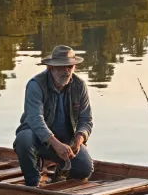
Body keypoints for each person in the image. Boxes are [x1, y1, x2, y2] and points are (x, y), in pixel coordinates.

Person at [14, 45, 94, 187]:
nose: (67, 71)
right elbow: (35, 119)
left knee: (85, 168)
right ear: (50, 68)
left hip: (67, 141)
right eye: (62, 67)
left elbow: (86, 119)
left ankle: (61, 173)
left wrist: (78, 140)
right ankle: (32, 182)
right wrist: (56, 144)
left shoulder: (79, 85)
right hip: (38, 139)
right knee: (23, 139)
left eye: (70, 67)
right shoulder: (35, 85)